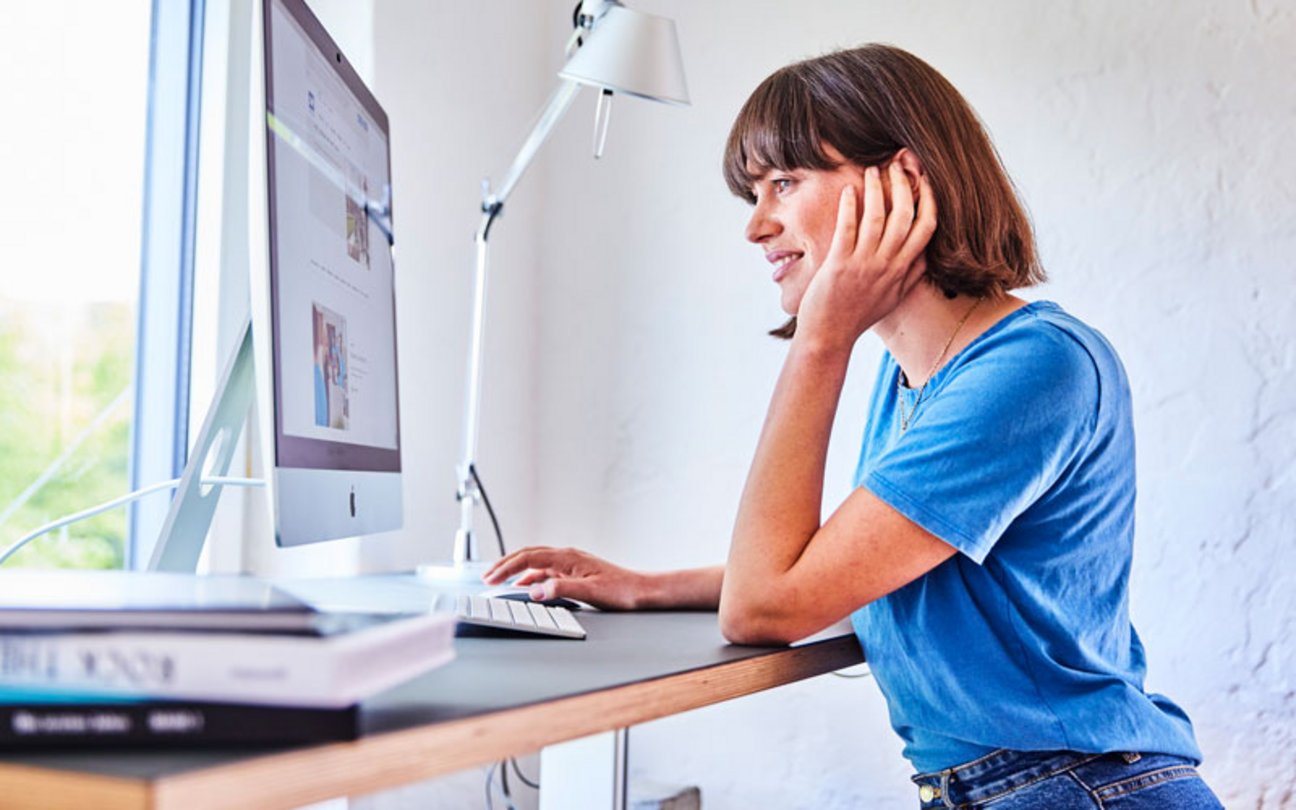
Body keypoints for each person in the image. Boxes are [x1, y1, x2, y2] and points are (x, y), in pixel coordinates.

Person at [483, 44, 1222, 808]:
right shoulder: (913, 374)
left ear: (901, 181)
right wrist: (641, 587)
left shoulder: (1033, 368)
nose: (757, 226)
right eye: (753, 194)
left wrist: (822, 339)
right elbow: (827, 573)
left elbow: (767, 606)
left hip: (1073, 788)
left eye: (784, 183)